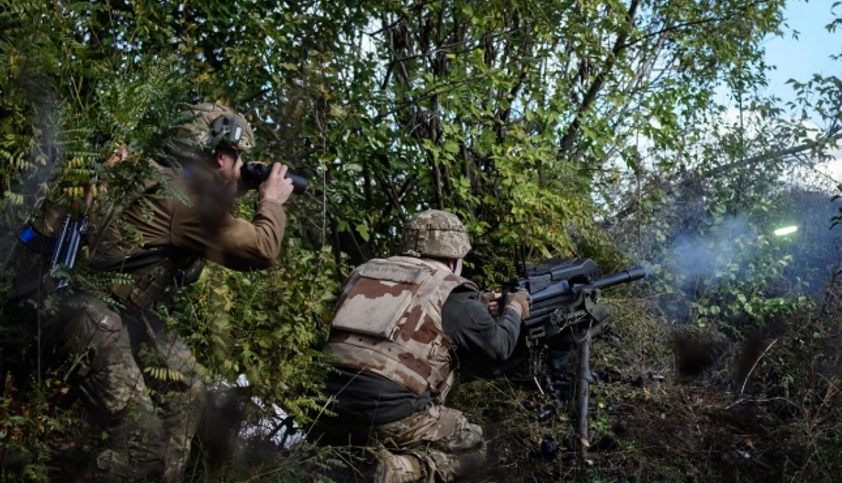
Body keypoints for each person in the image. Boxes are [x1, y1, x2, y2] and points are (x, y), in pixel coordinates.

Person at [12, 103, 295, 483]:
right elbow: (261, 249)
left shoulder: (150, 174)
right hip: (86, 316)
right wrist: (271, 202)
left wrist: (235, 184)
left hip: (91, 304)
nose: (241, 165)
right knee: (142, 445)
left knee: (186, 388)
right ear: (219, 154)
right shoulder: (187, 203)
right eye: (237, 156)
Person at [316, 209, 531, 483]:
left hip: (325, 405)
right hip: (388, 414)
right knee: (475, 444)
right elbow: (500, 347)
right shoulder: (451, 287)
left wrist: (476, 303)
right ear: (454, 259)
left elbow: (408, 313)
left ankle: (340, 454)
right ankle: (398, 470)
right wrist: (514, 308)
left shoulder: (364, 271)